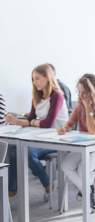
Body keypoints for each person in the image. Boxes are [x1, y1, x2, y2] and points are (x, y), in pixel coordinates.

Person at [5, 64, 69, 197]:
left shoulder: (57, 96)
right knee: (13, 148)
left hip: (58, 139)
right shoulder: (37, 96)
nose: (34, 82)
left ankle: (47, 183)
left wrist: (32, 123)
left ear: (47, 78)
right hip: (42, 137)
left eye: (37, 78)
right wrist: (15, 121)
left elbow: (48, 123)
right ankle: (12, 189)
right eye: (33, 79)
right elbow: (31, 119)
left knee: (26, 151)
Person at [59, 73, 95, 207]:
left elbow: (93, 130)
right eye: (79, 92)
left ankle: (88, 197)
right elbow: (70, 123)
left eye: (84, 92)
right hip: (89, 147)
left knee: (82, 168)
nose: (81, 96)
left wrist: (89, 109)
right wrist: (65, 128)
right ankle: (88, 190)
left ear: (94, 91)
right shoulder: (80, 105)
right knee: (66, 165)